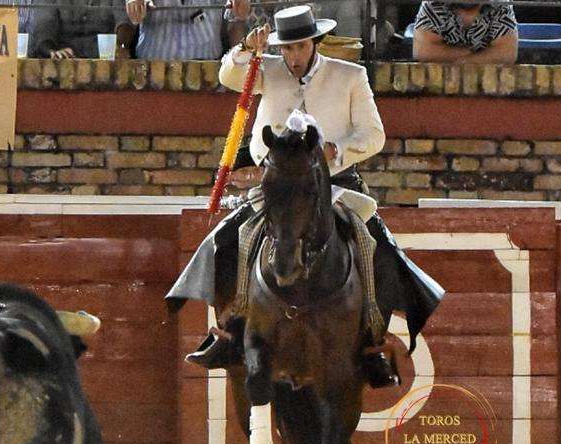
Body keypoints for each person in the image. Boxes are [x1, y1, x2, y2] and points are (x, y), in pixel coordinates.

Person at [166, 5, 444, 388]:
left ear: (315, 42)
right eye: (287, 48)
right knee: (231, 237)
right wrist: (246, 47)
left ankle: (372, 341)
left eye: (300, 47)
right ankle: (230, 331)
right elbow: (228, 76)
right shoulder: (265, 68)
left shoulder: (350, 75)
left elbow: (374, 135)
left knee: (376, 245)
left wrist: (337, 151)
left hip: (334, 183)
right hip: (278, 185)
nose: (293, 56)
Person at [120, 0, 251, 60]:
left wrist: (239, 62)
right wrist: (134, 4)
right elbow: (124, 23)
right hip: (153, 69)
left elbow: (236, 24)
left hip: (207, 72)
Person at [412, 0, 519, 64]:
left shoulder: (500, 4)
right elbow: (423, 52)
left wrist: (462, 60)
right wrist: (477, 54)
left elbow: (507, 54)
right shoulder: (433, 3)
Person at [29, 0, 122, 59]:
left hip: (106, 60)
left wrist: (123, 45)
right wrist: (51, 51)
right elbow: (44, 28)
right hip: (64, 61)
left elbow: (122, 23)